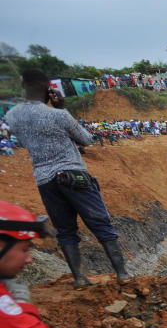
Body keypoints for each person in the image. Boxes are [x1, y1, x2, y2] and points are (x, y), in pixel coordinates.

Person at [4, 69, 130, 289]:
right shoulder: (58, 115)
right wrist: (61, 107)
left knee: (65, 230)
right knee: (100, 223)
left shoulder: (12, 115)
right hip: (73, 174)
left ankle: (80, 279)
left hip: (44, 179)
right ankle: (123, 274)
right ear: (48, 88)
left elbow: (26, 140)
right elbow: (86, 139)